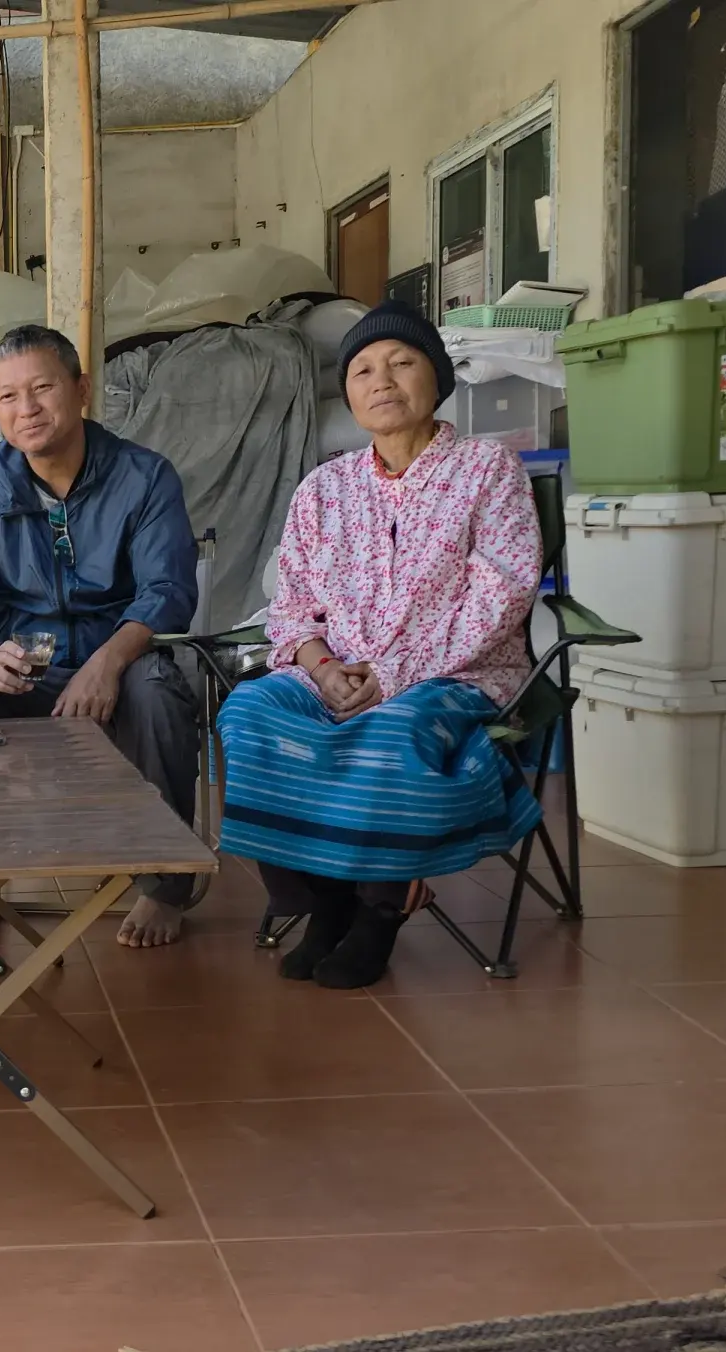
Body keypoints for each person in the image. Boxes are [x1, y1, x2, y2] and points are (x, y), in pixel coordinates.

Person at [216, 298, 545, 990]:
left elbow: (503, 593)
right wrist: (325, 668)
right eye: (363, 369)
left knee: (392, 729)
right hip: (334, 673)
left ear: (437, 378)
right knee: (249, 714)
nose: (382, 380)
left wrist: (393, 674)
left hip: (453, 676)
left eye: (402, 362)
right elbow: (293, 607)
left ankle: (380, 908)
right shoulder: (323, 489)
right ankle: (322, 898)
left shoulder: (487, 470)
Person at [0, 323, 204, 948]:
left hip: (119, 666)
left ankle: (163, 886)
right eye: (8, 397)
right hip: (26, 674)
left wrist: (109, 661)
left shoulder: (144, 477)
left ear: (81, 391)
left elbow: (169, 592)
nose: (27, 410)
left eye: (42, 389)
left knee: (160, 688)